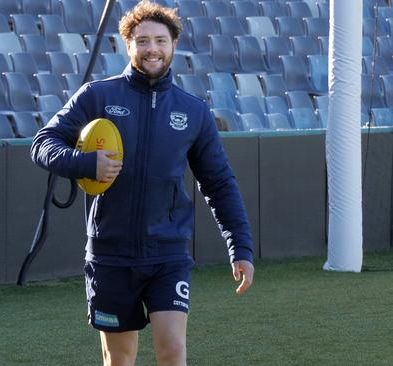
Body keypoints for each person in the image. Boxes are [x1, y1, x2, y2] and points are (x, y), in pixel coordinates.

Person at [30, 2, 254, 365]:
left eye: (161, 41)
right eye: (143, 40)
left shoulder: (193, 111)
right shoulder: (98, 95)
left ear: (174, 45)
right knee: (119, 358)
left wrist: (240, 246)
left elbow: (219, 183)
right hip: (110, 253)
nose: (153, 49)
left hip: (168, 253)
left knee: (173, 349)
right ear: (128, 44)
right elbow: (43, 143)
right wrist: (86, 162)